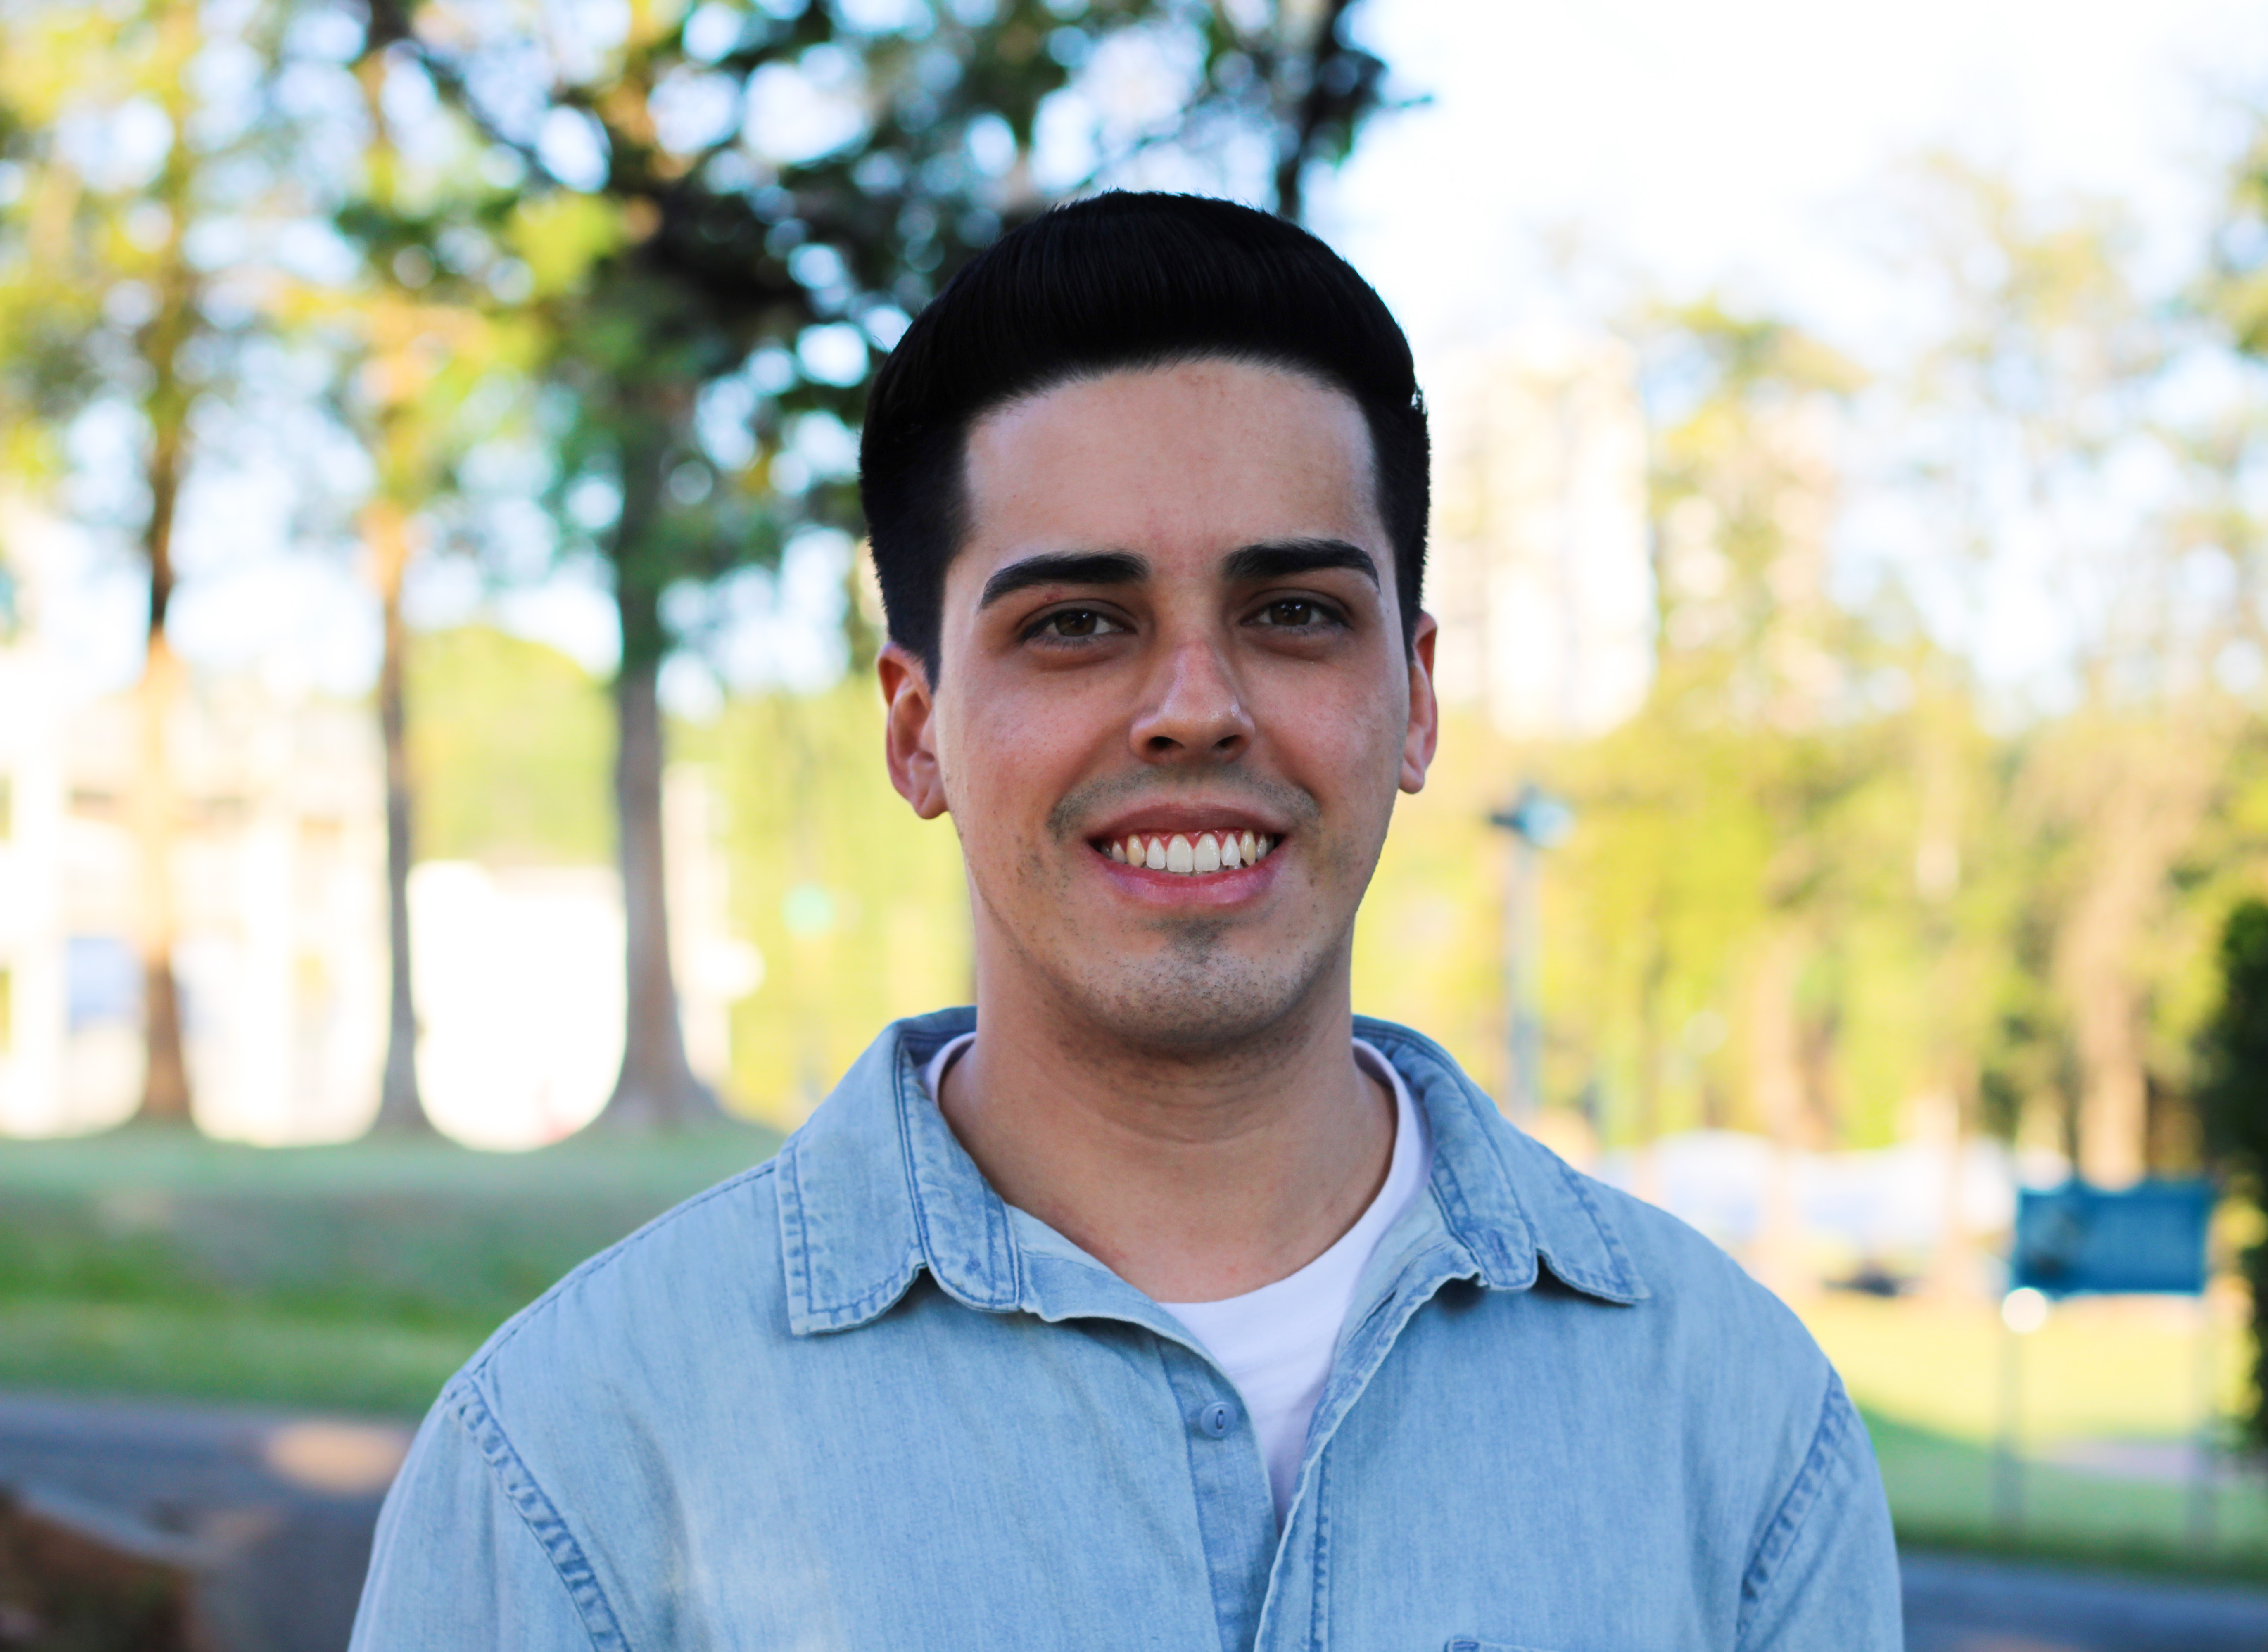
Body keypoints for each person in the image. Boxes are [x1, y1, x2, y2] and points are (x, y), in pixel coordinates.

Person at [351, 191, 1901, 1651]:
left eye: (1293, 611)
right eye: (1075, 625)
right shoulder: (580, 1456)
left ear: (1415, 699)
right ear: (916, 731)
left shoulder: (1736, 1420)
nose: (1194, 710)